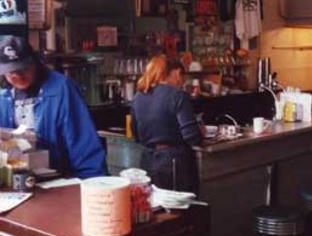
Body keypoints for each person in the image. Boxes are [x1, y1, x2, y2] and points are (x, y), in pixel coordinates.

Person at [0, 36, 107, 179]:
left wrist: (94, 185)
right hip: (16, 183)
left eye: (22, 69)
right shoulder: (3, 96)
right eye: (10, 71)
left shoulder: (62, 89)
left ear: (35, 63)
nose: (17, 75)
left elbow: (84, 144)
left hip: (60, 180)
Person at [131, 55, 202, 193]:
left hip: (147, 160)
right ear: (176, 72)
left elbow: (136, 134)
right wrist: (200, 132)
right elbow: (192, 137)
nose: (182, 82)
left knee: (153, 205)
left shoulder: (138, 96)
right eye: (182, 77)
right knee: (178, 209)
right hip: (173, 163)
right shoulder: (178, 95)